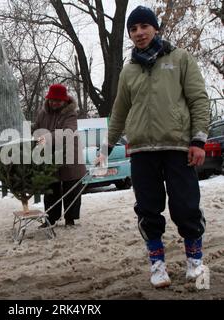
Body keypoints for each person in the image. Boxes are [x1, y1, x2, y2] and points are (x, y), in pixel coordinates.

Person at [97, 6, 209, 288]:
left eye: (144, 26)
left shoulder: (180, 58)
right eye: (133, 29)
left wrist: (198, 140)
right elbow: (120, 111)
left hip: (178, 147)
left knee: (185, 207)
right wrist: (106, 146)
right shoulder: (128, 71)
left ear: (155, 28)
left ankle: (195, 261)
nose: (138, 33)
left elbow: (198, 100)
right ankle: (157, 265)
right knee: (148, 210)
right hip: (142, 151)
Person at [33, 84, 86, 227]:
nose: (54, 103)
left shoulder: (70, 114)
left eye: (58, 100)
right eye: (52, 100)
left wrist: (46, 138)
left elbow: (67, 132)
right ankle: (50, 219)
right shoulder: (42, 113)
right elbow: (36, 128)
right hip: (50, 156)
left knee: (71, 188)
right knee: (51, 189)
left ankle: (70, 218)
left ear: (64, 100)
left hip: (70, 154)